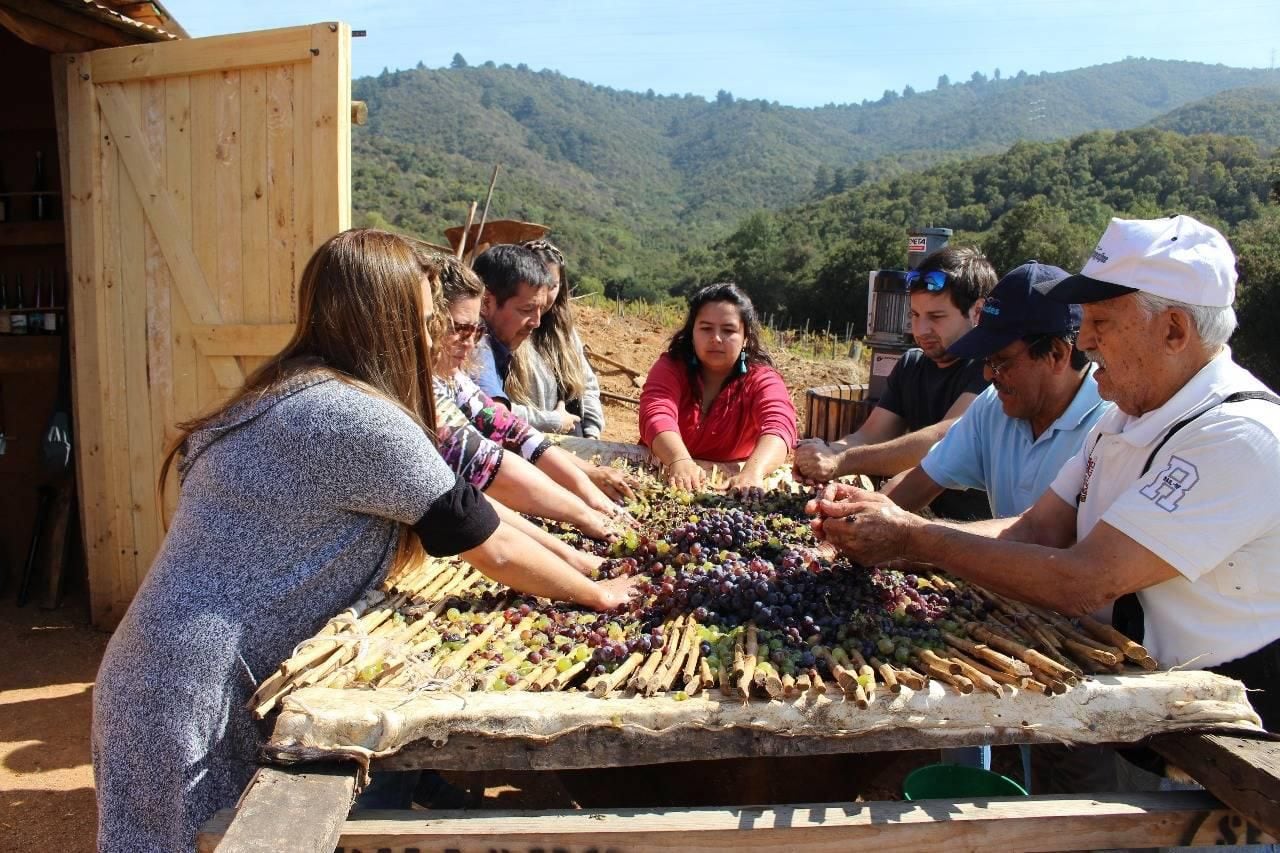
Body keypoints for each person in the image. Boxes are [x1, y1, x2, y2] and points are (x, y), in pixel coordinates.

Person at [92, 229, 636, 852]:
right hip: (193, 694)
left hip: (159, 672)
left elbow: (467, 504)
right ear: (388, 321)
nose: (436, 334)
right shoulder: (355, 416)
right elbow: (489, 543)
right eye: (428, 318)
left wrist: (580, 557)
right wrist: (597, 595)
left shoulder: (294, 389)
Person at [810, 215, 1280, 734]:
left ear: (1173, 330)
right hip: (1139, 702)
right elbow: (1036, 529)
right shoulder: (1127, 419)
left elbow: (1085, 580)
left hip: (1222, 726)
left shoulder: (1238, 436)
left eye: (1101, 323)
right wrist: (895, 533)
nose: (1086, 341)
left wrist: (917, 539)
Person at [422, 251, 627, 539]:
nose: (470, 344)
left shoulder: (451, 375)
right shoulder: (420, 389)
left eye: (477, 331)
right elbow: (484, 461)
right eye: (458, 329)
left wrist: (587, 492)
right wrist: (581, 514)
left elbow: (510, 430)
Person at [884, 261, 1110, 518]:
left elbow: (1042, 537)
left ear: (1057, 354)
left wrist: (911, 538)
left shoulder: (1109, 428)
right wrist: (858, 514)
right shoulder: (992, 407)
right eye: (985, 360)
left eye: (1000, 361)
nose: (988, 374)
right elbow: (921, 479)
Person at [793, 245, 998, 521]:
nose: (921, 330)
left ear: (977, 312)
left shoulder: (991, 368)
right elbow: (870, 435)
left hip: (973, 528)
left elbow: (943, 440)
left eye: (936, 317)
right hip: (917, 518)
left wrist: (840, 461)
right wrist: (825, 452)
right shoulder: (911, 365)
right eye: (915, 315)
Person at [471, 243, 634, 502]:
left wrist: (589, 446)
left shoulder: (510, 339)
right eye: (526, 310)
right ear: (487, 303)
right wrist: (584, 478)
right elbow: (502, 427)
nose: (536, 321)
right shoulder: (477, 348)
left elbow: (587, 386)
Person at [639, 282, 798, 491]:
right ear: (692, 332)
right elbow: (656, 413)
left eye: (728, 330)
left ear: (746, 338)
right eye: (705, 328)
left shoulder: (761, 379)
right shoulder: (671, 367)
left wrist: (753, 472)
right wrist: (678, 460)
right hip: (661, 477)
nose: (716, 338)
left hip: (730, 488)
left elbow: (779, 425)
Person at [505, 239, 605, 439]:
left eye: (553, 285)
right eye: (538, 284)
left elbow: (587, 385)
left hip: (569, 444)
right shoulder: (507, 330)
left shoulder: (564, 331)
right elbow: (494, 408)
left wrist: (592, 434)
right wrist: (552, 420)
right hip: (523, 443)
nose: (545, 294)